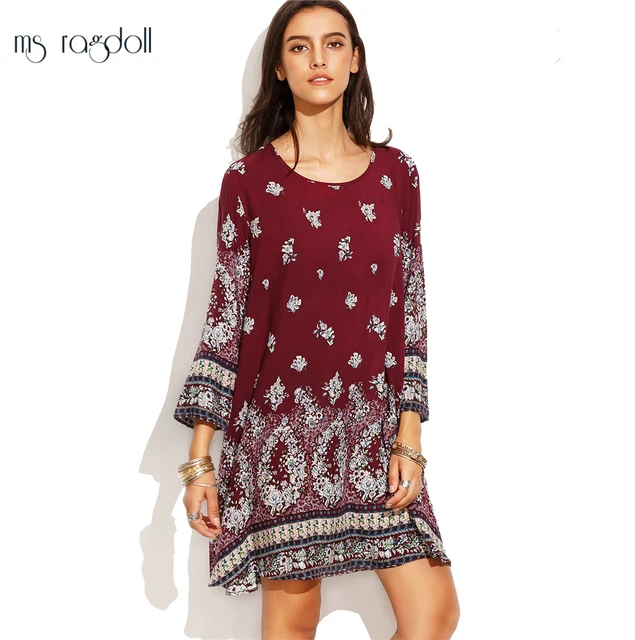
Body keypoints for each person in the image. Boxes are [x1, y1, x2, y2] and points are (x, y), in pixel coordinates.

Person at [173, 0, 460, 637]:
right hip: (279, 435)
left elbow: (410, 308)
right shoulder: (249, 181)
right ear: (279, 67)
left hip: (374, 431)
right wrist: (199, 460)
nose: (318, 59)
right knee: (293, 624)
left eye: (333, 43)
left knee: (433, 614)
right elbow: (226, 314)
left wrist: (410, 433)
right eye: (299, 47)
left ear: (355, 59)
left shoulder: (396, 176)